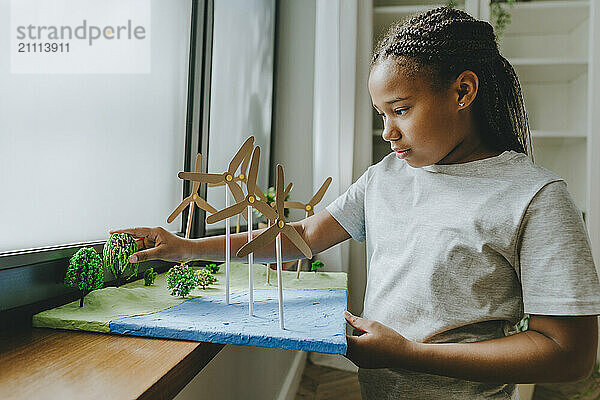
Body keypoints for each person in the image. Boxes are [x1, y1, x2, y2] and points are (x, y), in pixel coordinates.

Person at [113, 7, 600, 399]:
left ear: (463, 91)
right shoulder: (385, 177)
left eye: (401, 110)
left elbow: (568, 353)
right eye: (381, 113)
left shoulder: (535, 197)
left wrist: (409, 353)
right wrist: (185, 247)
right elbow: (302, 237)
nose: (388, 132)